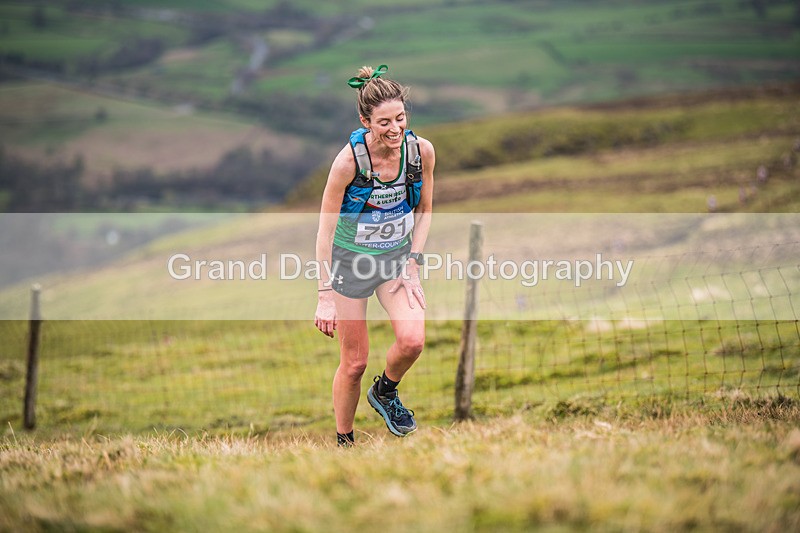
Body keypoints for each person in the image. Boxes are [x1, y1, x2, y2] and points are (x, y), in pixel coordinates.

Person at [314, 64, 435, 447]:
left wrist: (413, 262)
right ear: (366, 121)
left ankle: (385, 392)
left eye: (401, 118)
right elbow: (325, 230)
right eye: (384, 122)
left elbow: (425, 211)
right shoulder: (348, 162)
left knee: (413, 340)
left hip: (396, 261)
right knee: (354, 363)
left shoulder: (421, 152)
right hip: (350, 265)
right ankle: (345, 442)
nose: (395, 129)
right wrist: (324, 294)